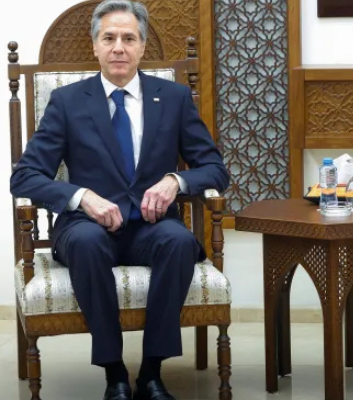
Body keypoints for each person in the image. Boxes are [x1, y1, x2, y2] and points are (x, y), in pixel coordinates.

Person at [9, 1, 228, 399]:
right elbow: (24, 176)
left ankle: (151, 373)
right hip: (87, 226)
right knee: (87, 242)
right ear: (95, 46)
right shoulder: (67, 101)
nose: (119, 48)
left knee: (179, 241)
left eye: (129, 38)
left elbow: (215, 168)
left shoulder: (174, 98)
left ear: (142, 47)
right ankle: (114, 374)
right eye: (109, 38)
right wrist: (81, 196)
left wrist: (175, 181)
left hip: (151, 225)